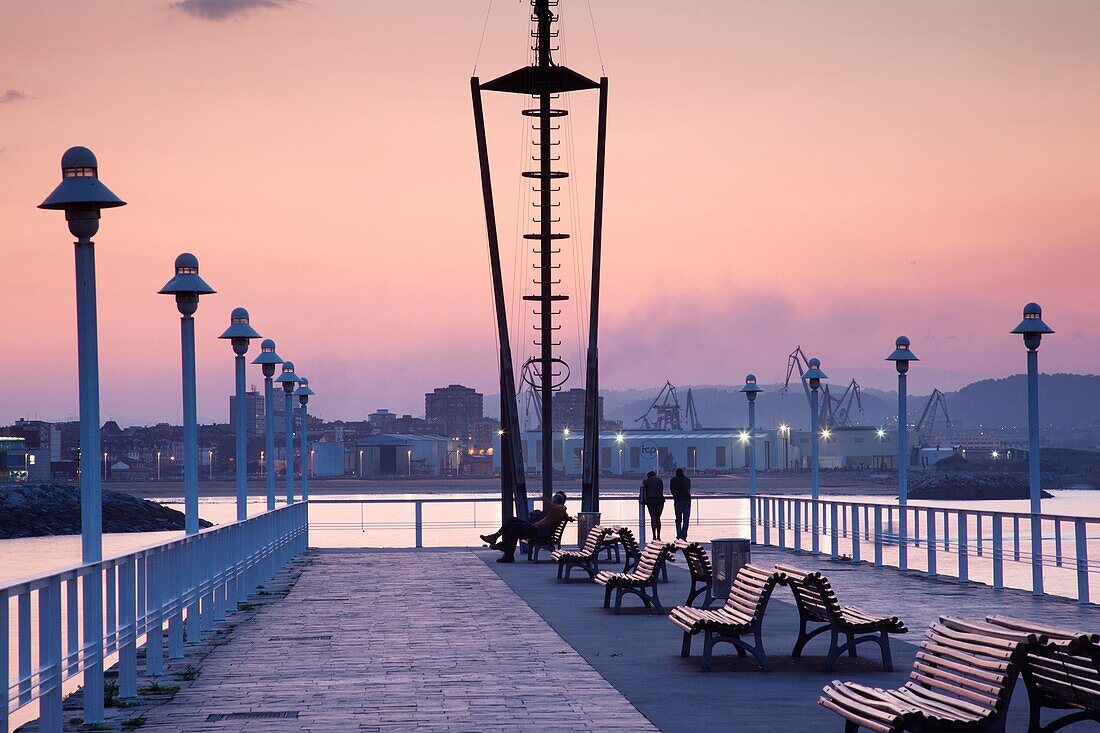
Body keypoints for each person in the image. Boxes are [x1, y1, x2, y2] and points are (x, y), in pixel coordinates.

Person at [480, 491, 568, 563]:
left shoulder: (560, 508)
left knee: (516, 527)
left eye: (553, 500)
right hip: (536, 528)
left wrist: (544, 498)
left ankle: (507, 554)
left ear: (557, 501)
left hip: (538, 531)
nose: (552, 501)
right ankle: (495, 537)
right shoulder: (557, 509)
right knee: (513, 520)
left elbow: (552, 506)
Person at [639, 470, 665, 541]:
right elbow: (661, 490)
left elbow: (644, 491)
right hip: (660, 499)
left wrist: (644, 501)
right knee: (658, 517)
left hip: (651, 500)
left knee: (653, 517)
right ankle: (659, 536)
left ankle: (654, 536)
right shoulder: (660, 480)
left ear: (648, 476)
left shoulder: (646, 481)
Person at [670, 467, 692, 540]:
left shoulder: (673, 480)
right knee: (686, 519)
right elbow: (688, 489)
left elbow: (672, 490)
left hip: (678, 500)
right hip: (687, 500)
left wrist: (675, 495)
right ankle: (684, 534)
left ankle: (679, 534)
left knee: (678, 519)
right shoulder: (687, 480)